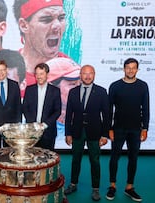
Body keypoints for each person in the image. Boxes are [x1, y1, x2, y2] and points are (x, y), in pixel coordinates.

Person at [106, 58, 149, 202]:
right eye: (128, 67)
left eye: (134, 68)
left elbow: (146, 108)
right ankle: (112, 185)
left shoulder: (143, 86)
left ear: (137, 69)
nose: (131, 70)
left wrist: (145, 128)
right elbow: (108, 110)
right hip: (118, 128)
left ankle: (129, 187)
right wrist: (109, 129)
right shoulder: (115, 86)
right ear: (124, 69)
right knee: (114, 157)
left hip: (136, 129)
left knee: (133, 158)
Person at [64, 65, 110, 201]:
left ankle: (95, 189)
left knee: (95, 161)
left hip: (95, 132)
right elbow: (68, 115)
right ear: (80, 75)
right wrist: (68, 133)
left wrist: (104, 135)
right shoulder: (73, 92)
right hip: (77, 131)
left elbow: (106, 115)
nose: (87, 76)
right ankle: (73, 184)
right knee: (75, 159)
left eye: (90, 73)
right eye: (85, 73)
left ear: (94, 75)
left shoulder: (101, 92)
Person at [13, 0, 71, 87]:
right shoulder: (3, 70)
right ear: (24, 25)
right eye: (47, 19)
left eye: (61, 18)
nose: (57, 26)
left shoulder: (72, 71)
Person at [22, 63, 61, 151]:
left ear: (47, 74)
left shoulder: (55, 91)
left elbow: (57, 111)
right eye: (37, 74)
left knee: (48, 160)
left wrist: (44, 125)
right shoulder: (29, 89)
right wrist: (34, 124)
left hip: (48, 131)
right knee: (32, 159)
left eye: (41, 74)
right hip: (32, 132)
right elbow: (25, 108)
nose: (39, 76)